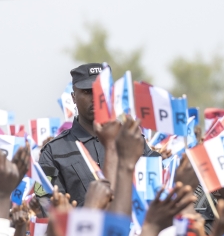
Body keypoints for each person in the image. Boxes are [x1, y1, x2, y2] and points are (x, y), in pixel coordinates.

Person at [38, 63, 155, 207]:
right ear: (74, 97)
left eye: (101, 92)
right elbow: (44, 203)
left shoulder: (131, 140)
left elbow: (154, 188)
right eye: (87, 92)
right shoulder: (52, 151)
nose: (95, 98)